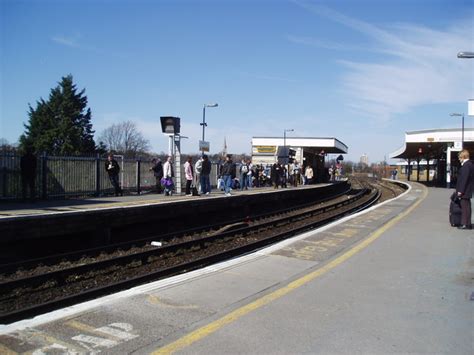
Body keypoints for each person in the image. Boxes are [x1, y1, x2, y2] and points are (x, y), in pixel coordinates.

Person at [455, 149, 473, 230]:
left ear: (463, 156)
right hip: (468, 190)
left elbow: (464, 179)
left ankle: (465, 224)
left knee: (465, 207)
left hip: (464, 190)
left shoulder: (466, 166)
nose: (459, 159)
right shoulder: (470, 164)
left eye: (460, 157)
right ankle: (468, 223)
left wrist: (460, 191)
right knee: (467, 207)